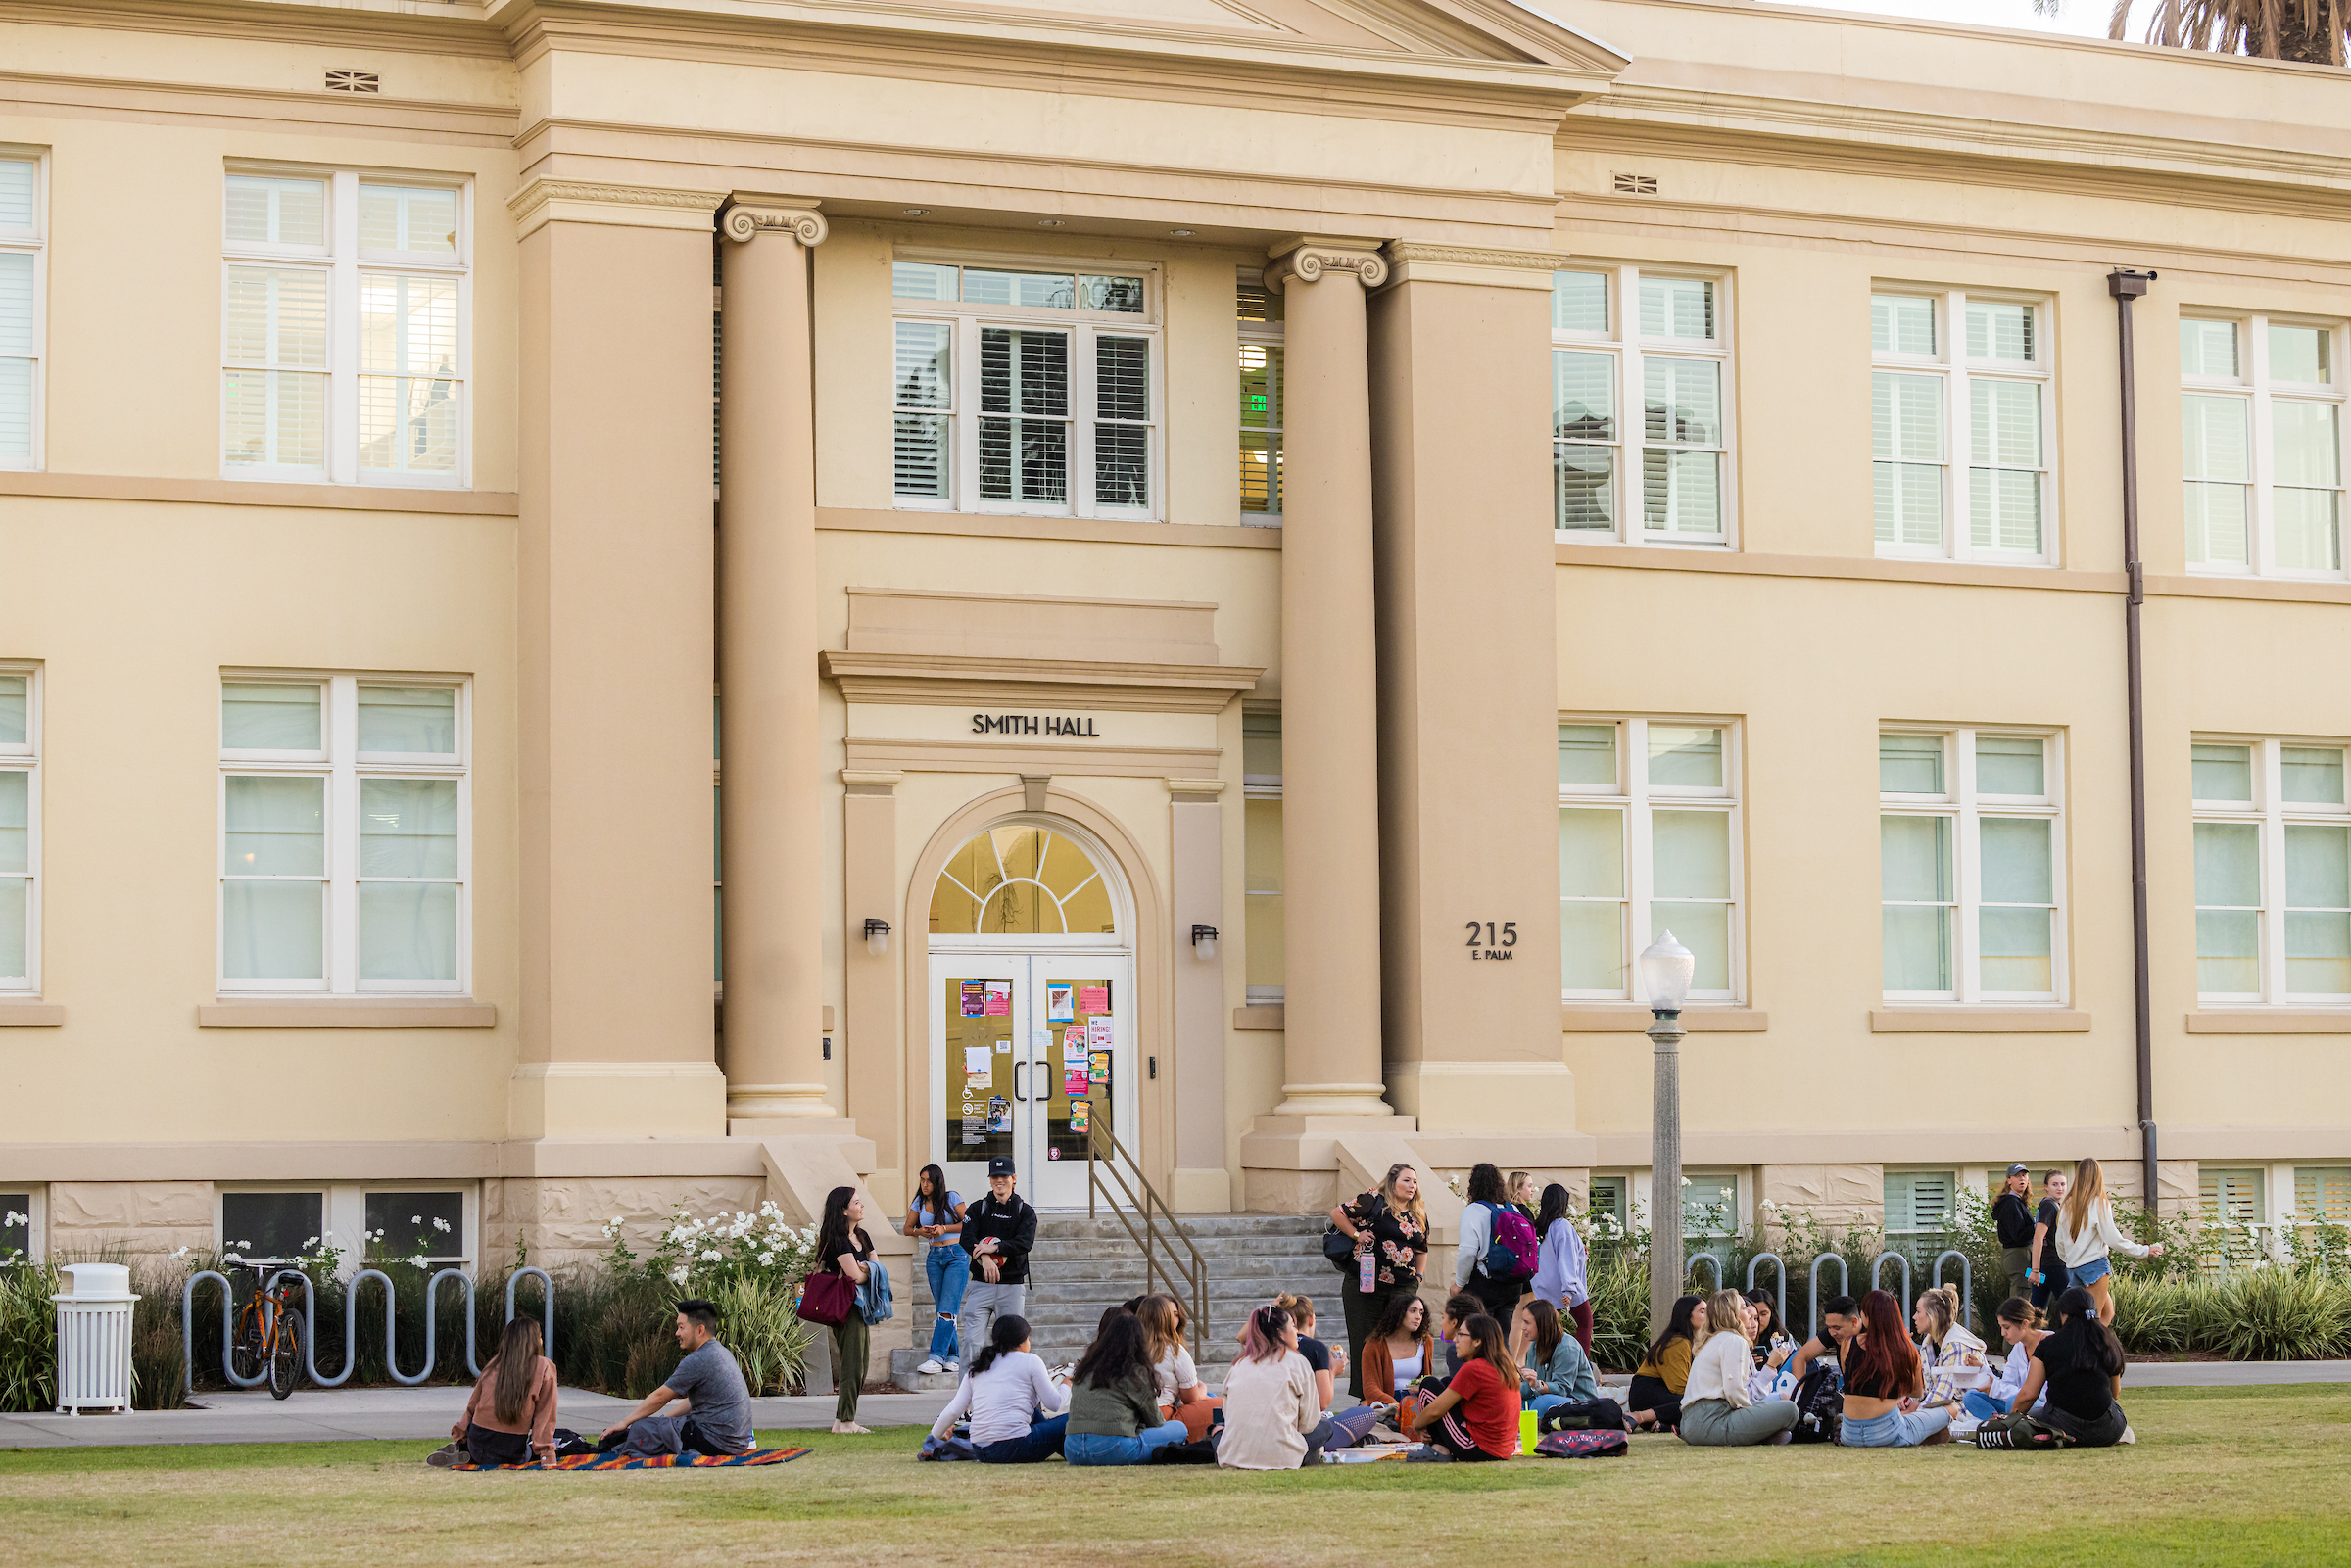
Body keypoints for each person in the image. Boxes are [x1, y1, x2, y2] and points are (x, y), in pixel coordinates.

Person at [1974, 1287, 2133, 1449]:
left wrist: (2011, 1420)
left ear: (2063, 1314)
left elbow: (2029, 1394)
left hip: (2061, 1427)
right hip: (2106, 1431)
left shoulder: (2048, 1345)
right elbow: (2115, 1393)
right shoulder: (2108, 1342)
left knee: (2034, 1415)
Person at [597, 1299, 756, 1457]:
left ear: (700, 1330)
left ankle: (613, 1450)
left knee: (641, 1428)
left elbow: (661, 1397)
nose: (677, 1333)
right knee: (660, 1426)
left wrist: (625, 1422)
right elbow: (697, 1400)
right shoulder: (722, 1353)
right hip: (736, 1444)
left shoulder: (699, 1359)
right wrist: (666, 1419)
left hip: (714, 1443)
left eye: (681, 1327)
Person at [1328, 1162, 1429, 1399]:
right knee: (1366, 1340)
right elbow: (1337, 1214)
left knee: (1401, 1338)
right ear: (1393, 1182)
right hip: (1365, 1285)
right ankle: (1368, 1396)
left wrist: (1419, 1278)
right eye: (1406, 1180)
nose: (1412, 1186)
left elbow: (1422, 1250)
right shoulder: (1373, 1200)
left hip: (1404, 1286)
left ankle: (1400, 1391)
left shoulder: (1418, 1212)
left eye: (1414, 1181)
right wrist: (1356, 1234)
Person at [2053, 1156, 2164, 1357]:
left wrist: (2069, 1259)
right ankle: (2086, 1357)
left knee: (2104, 1313)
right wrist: (2145, 1250)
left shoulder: (2066, 1204)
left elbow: (2059, 1242)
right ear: (2098, 1177)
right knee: (2092, 1319)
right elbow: (2114, 1239)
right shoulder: (2098, 1203)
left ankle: (2085, 1351)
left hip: (2074, 1269)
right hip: (2095, 1267)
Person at [928, 1313, 1070, 1463]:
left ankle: (1069, 1451)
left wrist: (935, 1435)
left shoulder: (979, 1367)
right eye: (1028, 1339)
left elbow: (954, 1409)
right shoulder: (1031, 1361)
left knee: (1033, 1413)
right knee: (1070, 1419)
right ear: (1021, 1342)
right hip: (1014, 1446)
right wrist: (1066, 1384)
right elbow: (1055, 1404)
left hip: (981, 1450)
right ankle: (1074, 1451)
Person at [1063, 1312, 1191, 1466]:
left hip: (1072, 1449)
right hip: (1113, 1449)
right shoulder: (1134, 1372)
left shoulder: (1086, 1368)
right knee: (1179, 1429)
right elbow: (1156, 1422)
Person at [1678, 1289, 1800, 1446]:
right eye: (1743, 1308)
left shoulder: (1717, 1339)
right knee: (1790, 1410)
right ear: (1731, 1314)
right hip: (1712, 1420)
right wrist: (1755, 1413)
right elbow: (1735, 1393)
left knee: (1779, 1422)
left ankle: (1769, 1435)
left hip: (1693, 1422)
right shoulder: (1734, 1340)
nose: (1750, 1314)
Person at [437, 1316, 559, 1467]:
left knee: (481, 1445)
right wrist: (546, 1455)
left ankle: (463, 1450)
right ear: (534, 1340)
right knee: (541, 1449)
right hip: (510, 1450)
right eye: (540, 1337)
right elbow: (545, 1416)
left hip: (477, 1443)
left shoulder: (494, 1364)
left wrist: (460, 1437)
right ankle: (467, 1452)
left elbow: (472, 1407)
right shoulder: (545, 1367)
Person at [1835, 1289, 1950, 1448]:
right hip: (1886, 1431)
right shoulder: (1905, 1347)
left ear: (1867, 1316)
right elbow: (1917, 1392)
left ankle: (1910, 1432)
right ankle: (1914, 1434)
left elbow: (1852, 1381)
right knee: (1949, 1410)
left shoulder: (1848, 1344)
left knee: (1908, 1422)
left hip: (1849, 1434)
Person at [1402, 1311, 1521, 1461]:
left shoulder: (1474, 1369)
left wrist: (1417, 1424)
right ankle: (1439, 1448)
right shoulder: (1502, 1366)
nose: (1455, 1340)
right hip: (1502, 1450)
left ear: (1477, 1341)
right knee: (1446, 1383)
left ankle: (1439, 1450)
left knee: (1429, 1385)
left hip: (1478, 1447)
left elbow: (1435, 1411)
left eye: (1461, 1335)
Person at [1219, 1305, 1326, 1469]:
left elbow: (1228, 1415)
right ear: (1280, 1332)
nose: (1296, 1332)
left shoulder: (1239, 1365)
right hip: (1282, 1455)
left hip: (1234, 1455)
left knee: (1219, 1433)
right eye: (1293, 1326)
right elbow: (1308, 1424)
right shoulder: (1298, 1363)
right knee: (1326, 1427)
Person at [1273, 1293, 1383, 1448]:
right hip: (1298, 1433)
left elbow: (1241, 1337)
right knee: (1366, 1414)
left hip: (1274, 1428)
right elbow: (1322, 1403)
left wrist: (1269, 1308)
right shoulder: (1314, 1348)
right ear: (1311, 1320)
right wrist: (1332, 1370)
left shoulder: (1267, 1348)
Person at [959, 1156, 1037, 1356]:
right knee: (971, 1343)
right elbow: (966, 1238)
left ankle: (1011, 1388)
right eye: (994, 1176)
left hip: (1011, 1285)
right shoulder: (978, 1208)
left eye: (1004, 1176)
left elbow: (1024, 1243)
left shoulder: (1025, 1212)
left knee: (1013, 1346)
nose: (998, 1180)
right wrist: (983, 1258)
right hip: (981, 1285)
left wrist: (993, 1248)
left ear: (1014, 1178)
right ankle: (969, 1387)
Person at [814, 1184, 878, 1434]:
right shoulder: (837, 1240)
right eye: (857, 1203)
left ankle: (841, 1421)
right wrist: (866, 1270)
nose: (861, 1206)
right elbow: (856, 1277)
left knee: (861, 1363)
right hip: (845, 1307)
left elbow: (877, 1267)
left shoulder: (862, 1236)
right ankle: (847, 1421)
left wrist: (866, 1270)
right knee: (852, 1364)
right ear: (843, 1210)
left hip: (863, 1306)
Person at [1513, 1298, 1625, 1432]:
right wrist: (1508, 1388)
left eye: (1527, 1322)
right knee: (1512, 1403)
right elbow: (1528, 1389)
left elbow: (1563, 1388)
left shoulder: (1567, 1347)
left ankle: (1532, 1423)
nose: (1522, 1327)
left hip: (1579, 1403)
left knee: (1541, 1403)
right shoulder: (1534, 1347)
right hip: (1547, 1400)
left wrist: (1537, 1385)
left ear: (1541, 1324)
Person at [906, 1164, 968, 1376]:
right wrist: (920, 1232)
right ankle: (953, 1357)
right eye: (922, 1180)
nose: (924, 1184)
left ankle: (936, 1358)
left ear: (937, 1181)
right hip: (933, 1257)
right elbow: (907, 1228)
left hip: (956, 1255)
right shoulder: (919, 1201)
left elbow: (969, 1223)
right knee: (943, 1307)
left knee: (947, 1308)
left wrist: (945, 1228)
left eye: (928, 1181)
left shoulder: (952, 1198)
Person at [1455, 1163, 1532, 1325]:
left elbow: (1468, 1253)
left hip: (1486, 1283)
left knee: (1478, 1335)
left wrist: (1459, 1284)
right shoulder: (1512, 1209)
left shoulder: (1473, 1210)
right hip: (1513, 1284)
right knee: (1502, 1337)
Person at [1138, 1293, 1219, 1440]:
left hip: (1137, 1416)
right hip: (1163, 1416)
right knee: (1224, 1404)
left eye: (1177, 1314)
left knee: (1210, 1398)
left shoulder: (1130, 1347)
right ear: (1163, 1319)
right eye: (1173, 1315)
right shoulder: (1174, 1350)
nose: (1177, 1320)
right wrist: (1202, 1388)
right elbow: (1191, 1399)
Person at [1530, 1182, 1594, 1357]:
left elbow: (1549, 1257)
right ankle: (1582, 1368)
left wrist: (1581, 1253)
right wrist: (1569, 1288)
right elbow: (1566, 1259)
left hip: (1543, 1288)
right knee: (1585, 1324)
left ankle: (1545, 1366)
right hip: (1564, 1287)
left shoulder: (1538, 1227)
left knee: (1548, 1331)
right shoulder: (1562, 1226)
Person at [1962, 1298, 2049, 1424]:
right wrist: (1982, 1369)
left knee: (2013, 1401)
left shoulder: (2048, 1342)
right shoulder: (2017, 1348)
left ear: (2024, 1323)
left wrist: (1995, 1388)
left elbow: (2036, 1395)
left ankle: (2007, 1425)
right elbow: (2006, 1384)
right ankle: (1998, 1424)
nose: (2003, 1333)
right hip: (2017, 1405)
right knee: (1970, 1396)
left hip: (2041, 1406)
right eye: (2001, 1327)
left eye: (2007, 1327)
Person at [1629, 1293, 1704, 1431]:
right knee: (1697, 1404)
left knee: (1700, 1404)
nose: (1708, 1316)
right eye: (1702, 1311)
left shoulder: (1691, 1342)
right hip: (1649, 1394)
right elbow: (1678, 1387)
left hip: (1659, 1397)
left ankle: (1662, 1425)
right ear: (1687, 1315)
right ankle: (1639, 1416)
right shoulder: (1678, 1342)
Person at [1913, 1283, 1992, 1409]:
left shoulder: (1956, 1346)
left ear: (1932, 1316)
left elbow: (1941, 1396)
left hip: (1969, 1410)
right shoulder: (1928, 1344)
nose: (1914, 1317)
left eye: (1918, 1311)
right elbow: (1929, 1390)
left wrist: (1914, 1415)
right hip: (1950, 1406)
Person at [1358, 1291, 1435, 1414]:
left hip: (1415, 1401)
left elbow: (1428, 1378)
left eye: (1421, 1312)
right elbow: (1370, 1388)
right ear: (1398, 1313)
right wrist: (1396, 1405)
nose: (1418, 1317)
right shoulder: (1374, 1345)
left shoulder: (1426, 1342)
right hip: (1386, 1403)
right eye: (1413, 1311)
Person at [1993, 1164, 2038, 1305]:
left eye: (2024, 1175)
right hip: (2018, 1255)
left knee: (2025, 1294)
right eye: (2017, 1176)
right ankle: (2016, 1326)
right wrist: (2038, 1226)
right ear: (2008, 1180)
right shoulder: (2011, 1203)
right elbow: (2018, 1235)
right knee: (2021, 1299)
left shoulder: (2017, 1202)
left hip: (2019, 1255)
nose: (2021, 1179)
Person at [2028, 1167, 2070, 1311]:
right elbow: (2039, 1237)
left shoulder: (2055, 1205)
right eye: (2055, 1184)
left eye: (2063, 1184)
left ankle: (2032, 1333)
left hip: (2046, 1266)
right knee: (2070, 1307)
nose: (2060, 1188)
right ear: (2046, 1187)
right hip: (2052, 1266)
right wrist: (2035, 1270)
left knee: (2037, 1310)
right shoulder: (2049, 1205)